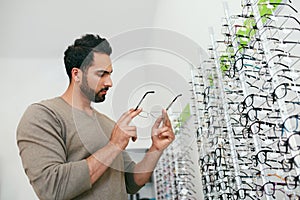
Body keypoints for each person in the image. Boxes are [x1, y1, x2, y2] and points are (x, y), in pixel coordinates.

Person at [16, 34, 175, 200]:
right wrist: (114, 145)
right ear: (76, 74)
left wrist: (155, 149)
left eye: (110, 74)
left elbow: (132, 182)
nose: (110, 82)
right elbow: (52, 189)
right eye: (102, 74)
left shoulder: (107, 124)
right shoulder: (43, 115)